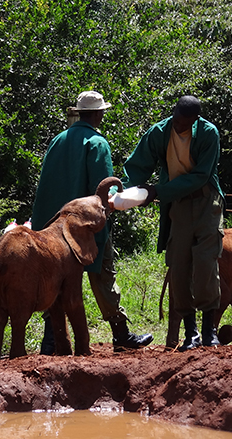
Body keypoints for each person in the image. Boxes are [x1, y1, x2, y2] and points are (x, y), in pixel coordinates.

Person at [31, 90, 153, 354]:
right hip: (85, 225)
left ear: (79, 112)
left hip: (52, 227)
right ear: (98, 114)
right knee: (103, 274)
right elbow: (103, 190)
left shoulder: (58, 140)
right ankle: (121, 334)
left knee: (55, 279)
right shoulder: (97, 143)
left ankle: (50, 340)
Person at [121, 96, 223, 350]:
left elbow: (201, 176)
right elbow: (138, 165)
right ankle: (192, 332)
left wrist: (158, 191)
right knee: (178, 266)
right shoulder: (159, 132)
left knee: (205, 263)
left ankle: (210, 331)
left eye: (184, 123)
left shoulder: (209, 134)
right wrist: (121, 193)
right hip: (177, 207)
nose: (178, 126)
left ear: (195, 120)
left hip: (205, 202)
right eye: (176, 119)